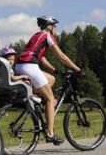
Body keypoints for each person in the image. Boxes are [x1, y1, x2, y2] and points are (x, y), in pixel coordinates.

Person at [15, 15, 82, 145]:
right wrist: (77, 69)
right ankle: (50, 133)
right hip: (30, 66)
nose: (55, 29)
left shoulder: (36, 36)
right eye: (54, 26)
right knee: (51, 99)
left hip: (20, 65)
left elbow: (40, 57)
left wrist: (54, 70)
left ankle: (37, 101)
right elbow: (62, 56)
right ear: (50, 26)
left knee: (51, 79)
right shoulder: (47, 36)